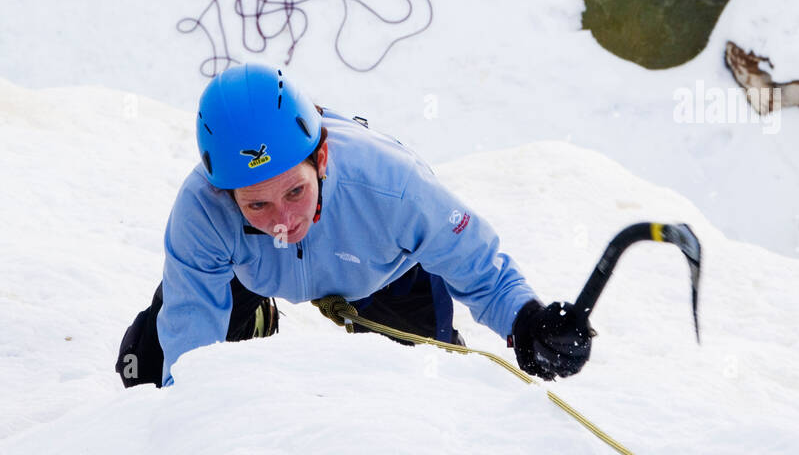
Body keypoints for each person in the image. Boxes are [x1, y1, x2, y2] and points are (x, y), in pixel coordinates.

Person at [115, 64, 592, 389]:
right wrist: (188, 426)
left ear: (321, 158)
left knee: (430, 389)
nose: (284, 223)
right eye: (257, 204)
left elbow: (479, 267)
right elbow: (189, 355)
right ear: (225, 192)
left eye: (295, 192)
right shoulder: (202, 210)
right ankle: (255, 318)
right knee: (145, 366)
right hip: (247, 274)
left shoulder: (393, 185)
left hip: (382, 275)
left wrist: (527, 323)